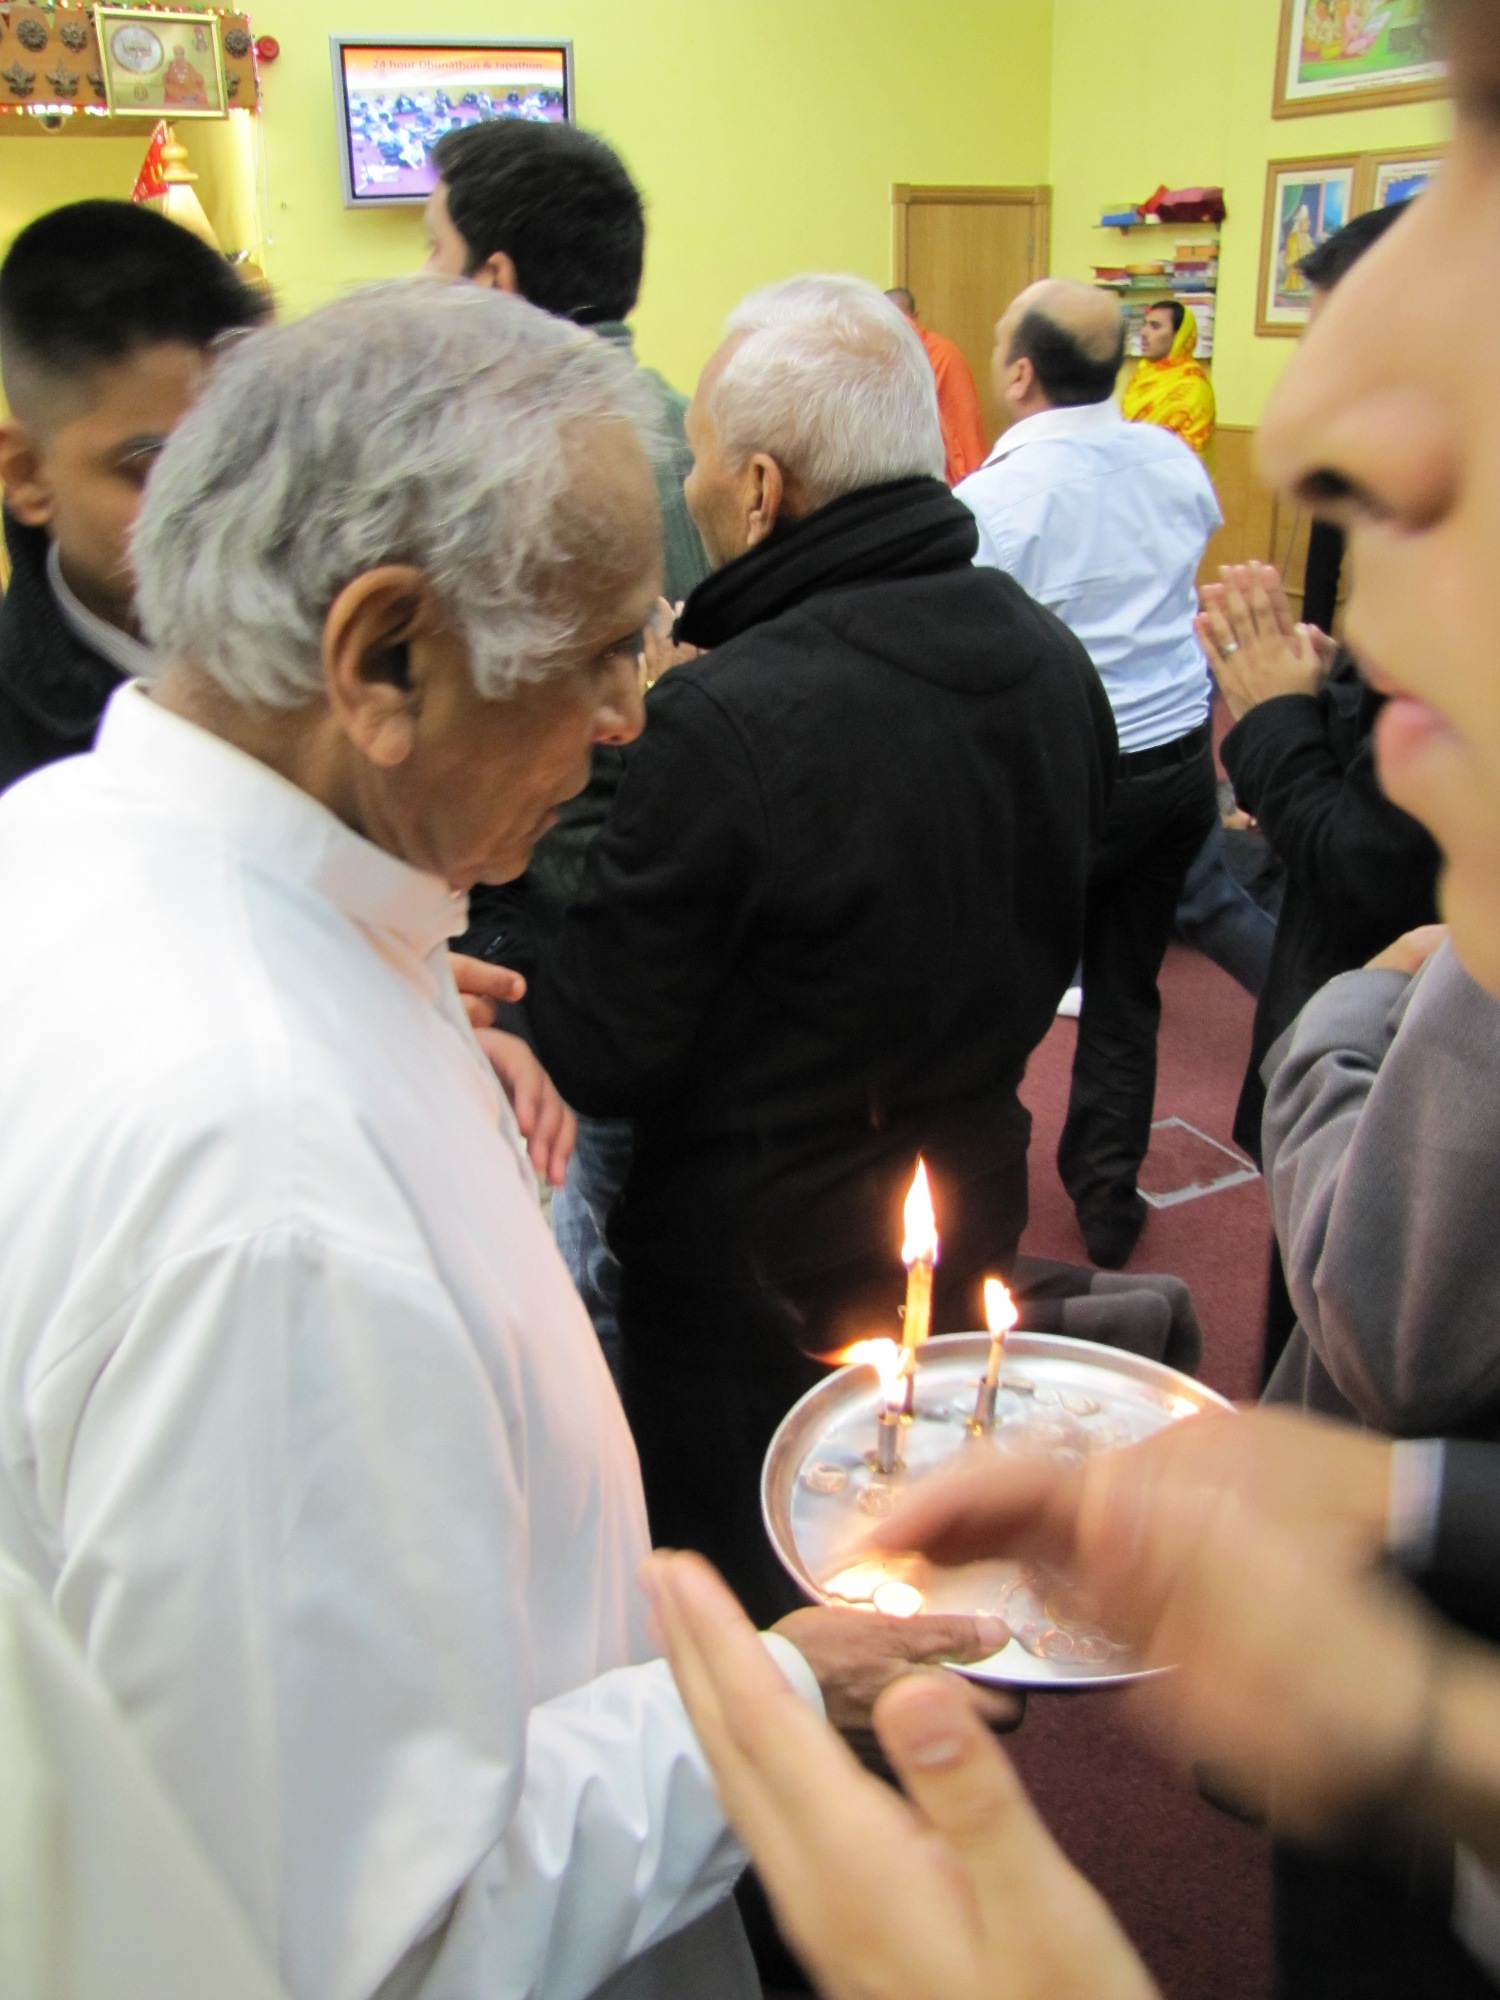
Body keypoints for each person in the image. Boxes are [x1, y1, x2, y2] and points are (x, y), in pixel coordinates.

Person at [0, 282, 1008, 2000]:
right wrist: (780, 1694)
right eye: (604, 649)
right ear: (382, 658)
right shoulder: (273, 1182)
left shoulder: (80, 834)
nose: (632, 713)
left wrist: (379, 974)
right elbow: (367, 1932)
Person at [638, 6, 1500, 1986]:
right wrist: (1439, 1703)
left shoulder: (770, 696)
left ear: (753, 485)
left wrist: (1362, 1005)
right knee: (1124, 1004)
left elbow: (1396, 1273)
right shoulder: (1041, 599)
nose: (1324, 414)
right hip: (1120, 795)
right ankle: (1099, 1200)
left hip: (888, 1093)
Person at [523, 274, 1116, 1626]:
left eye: (698, 466)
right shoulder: (1046, 654)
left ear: (762, 489)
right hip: (965, 1202)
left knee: (775, 1622)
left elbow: (600, 1045)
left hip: (753, 1283)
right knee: (928, 1570)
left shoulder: (728, 716)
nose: (689, 494)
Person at [422, 116, 711, 1373]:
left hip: (554, 907)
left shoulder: (507, 460)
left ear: (494, 279)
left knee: (557, 1233)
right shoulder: (697, 429)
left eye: (433, 251)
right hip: (686, 882)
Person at [958, 278, 1221, 1269]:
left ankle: (976, 1192)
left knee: (1000, 992)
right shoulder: (1172, 456)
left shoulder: (1002, 495)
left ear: (1020, 372)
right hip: (1183, 759)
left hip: (1067, 778)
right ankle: (1108, 1195)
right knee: (1126, 986)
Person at [0, 200, 269, 793]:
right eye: (157, 474)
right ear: (26, 475)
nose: (225, 511)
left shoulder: (349, 655)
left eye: (248, 458)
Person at [885, 286, 989, 483]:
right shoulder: (873, 353)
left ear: (915, 317)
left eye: (904, 317)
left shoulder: (943, 353)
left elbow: (964, 421)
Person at [1120, 298, 1216, 458]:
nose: (1144, 332)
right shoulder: (1141, 375)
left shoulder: (1194, 386)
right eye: (1145, 324)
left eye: (1155, 326)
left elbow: (1188, 455)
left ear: (1179, 335)